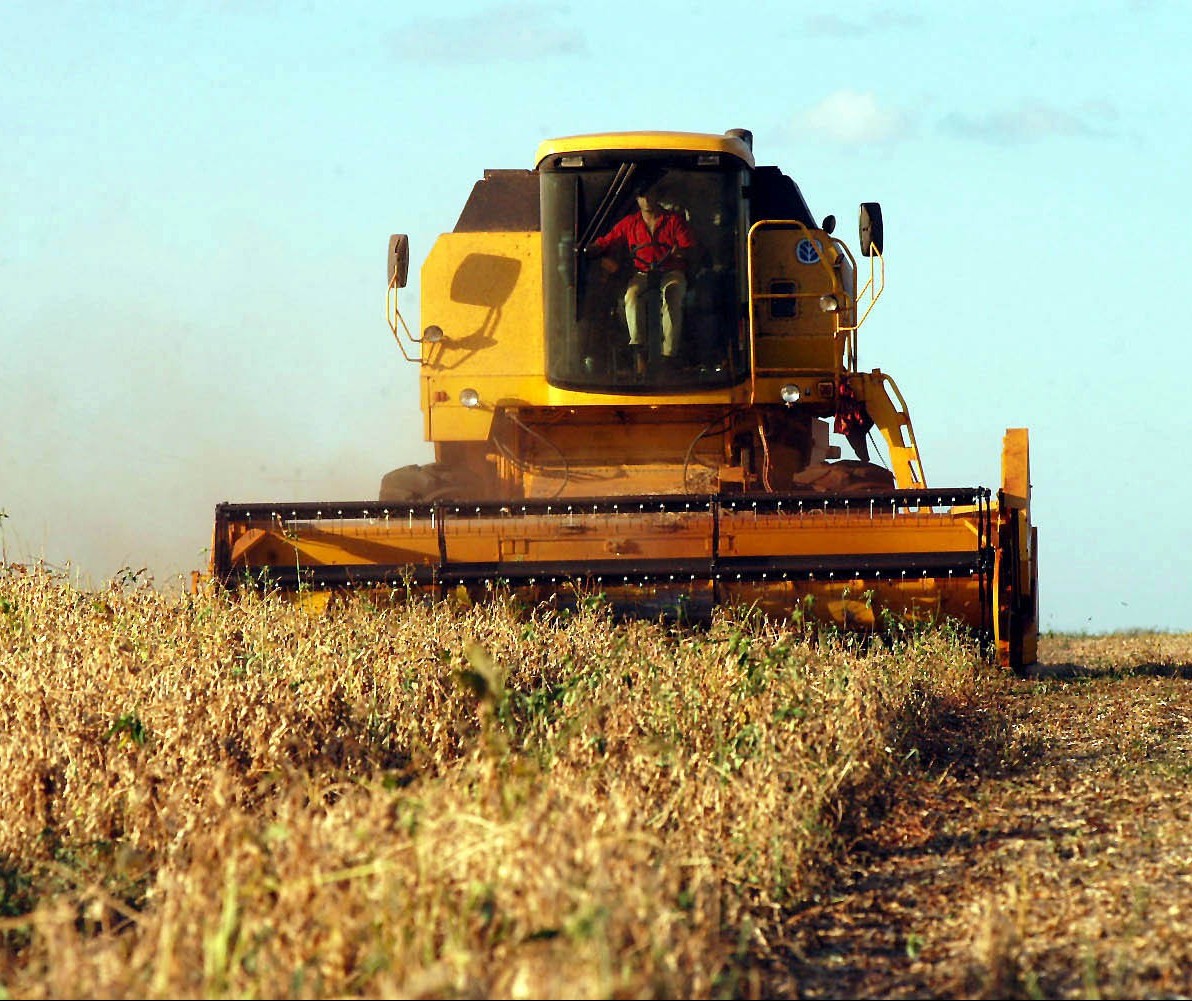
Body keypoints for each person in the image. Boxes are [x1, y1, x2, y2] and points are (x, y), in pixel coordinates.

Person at [585, 187, 696, 374]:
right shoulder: (630, 223)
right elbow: (609, 239)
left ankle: (669, 355)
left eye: (650, 194)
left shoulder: (674, 221)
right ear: (637, 199)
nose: (646, 199)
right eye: (642, 196)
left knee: (672, 294)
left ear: (658, 196)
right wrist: (594, 248)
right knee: (631, 296)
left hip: (670, 272)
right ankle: (639, 351)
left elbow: (689, 247)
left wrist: (681, 252)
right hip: (643, 273)